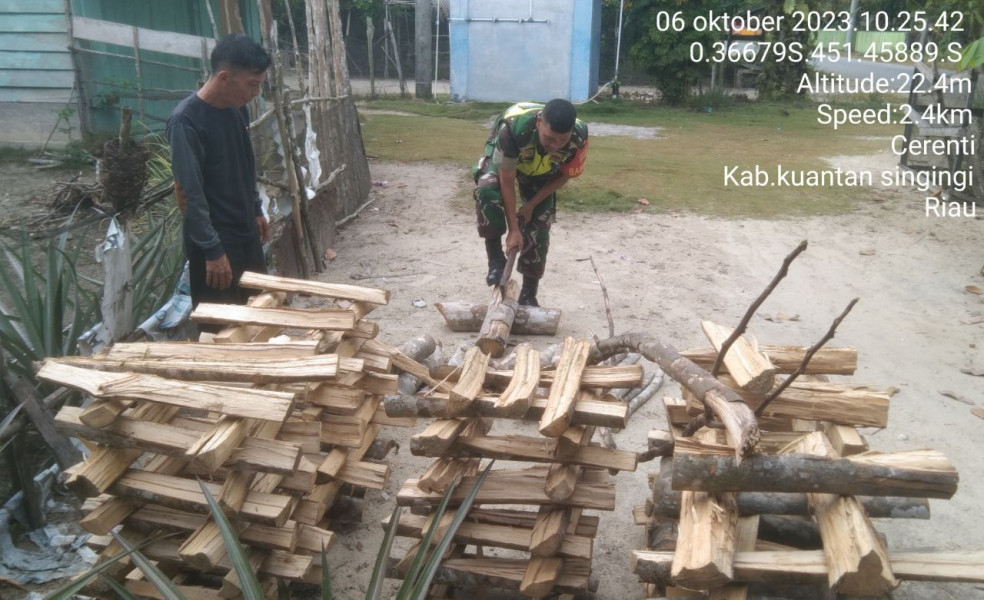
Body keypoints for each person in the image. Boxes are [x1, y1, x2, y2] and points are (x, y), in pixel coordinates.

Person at [166, 33, 272, 313]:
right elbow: (191, 193)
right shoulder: (186, 122)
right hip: (214, 240)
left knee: (260, 311)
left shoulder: (238, 110)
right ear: (224, 77)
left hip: (245, 230)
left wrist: (256, 208)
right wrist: (212, 250)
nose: (256, 92)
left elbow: (246, 165)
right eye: (252, 84)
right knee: (221, 326)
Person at [473, 99, 588, 307]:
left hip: (542, 170)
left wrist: (531, 205)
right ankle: (496, 261)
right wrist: (514, 230)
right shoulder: (513, 129)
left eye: (562, 140)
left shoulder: (579, 137)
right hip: (509, 158)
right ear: (539, 122)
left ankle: (528, 294)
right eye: (550, 138)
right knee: (487, 188)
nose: (555, 145)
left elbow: (564, 175)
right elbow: (506, 181)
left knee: (540, 223)